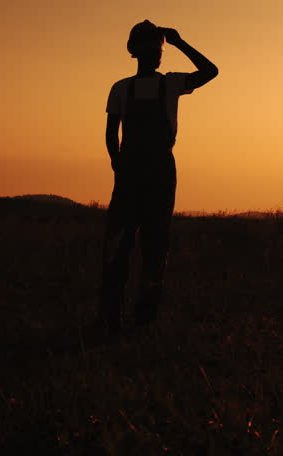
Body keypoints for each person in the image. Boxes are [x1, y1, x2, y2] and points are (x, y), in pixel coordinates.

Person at [95, 20, 218, 335]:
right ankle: (109, 318)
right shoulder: (121, 88)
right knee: (118, 246)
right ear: (134, 51)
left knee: (155, 246)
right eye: (149, 46)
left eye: (159, 48)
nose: (155, 53)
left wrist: (180, 42)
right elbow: (111, 133)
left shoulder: (173, 83)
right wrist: (118, 164)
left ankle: (143, 321)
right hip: (130, 171)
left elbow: (210, 71)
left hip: (160, 171)